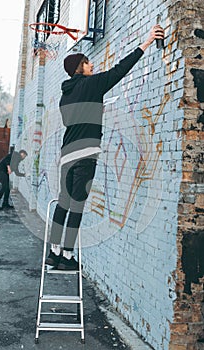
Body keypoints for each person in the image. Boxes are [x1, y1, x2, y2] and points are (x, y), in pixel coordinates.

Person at [46, 25, 164, 270]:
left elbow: (72, 121)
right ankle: (67, 255)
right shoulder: (92, 85)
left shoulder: (65, 94)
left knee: (64, 202)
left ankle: (53, 251)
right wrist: (147, 41)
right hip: (86, 153)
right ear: (80, 67)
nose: (92, 66)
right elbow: (120, 70)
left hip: (67, 153)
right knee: (77, 204)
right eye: (88, 63)